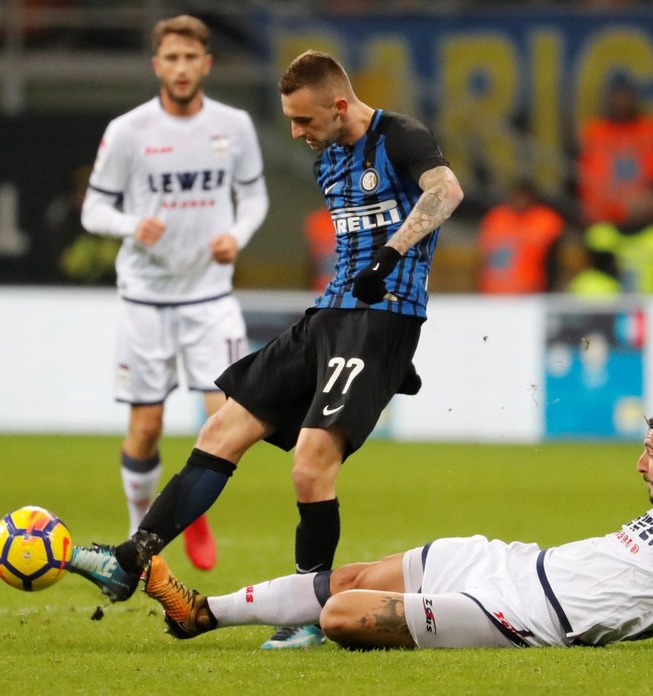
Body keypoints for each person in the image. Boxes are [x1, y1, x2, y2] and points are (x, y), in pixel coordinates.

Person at [69, 49, 464, 650]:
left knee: (310, 465)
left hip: (382, 320)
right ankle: (132, 557)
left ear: (338, 104)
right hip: (328, 315)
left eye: (304, 121)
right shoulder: (328, 159)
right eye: (290, 121)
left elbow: (446, 192)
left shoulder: (400, 136)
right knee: (221, 429)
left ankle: (308, 609)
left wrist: (392, 253)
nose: (296, 133)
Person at [136, 400, 653, 653]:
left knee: (341, 618)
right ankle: (199, 613)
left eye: (651, 453)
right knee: (350, 578)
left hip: (525, 618)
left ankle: (247, 619)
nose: (640, 464)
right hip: (511, 562)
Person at [77, 15, 268, 572]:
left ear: (206, 64)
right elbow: (93, 208)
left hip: (210, 299)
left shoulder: (233, 125)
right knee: (146, 428)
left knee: (226, 423)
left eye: (191, 58)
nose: (181, 68)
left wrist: (238, 234)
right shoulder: (129, 130)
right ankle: (147, 535)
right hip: (146, 300)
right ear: (156, 64)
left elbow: (254, 198)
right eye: (172, 58)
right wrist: (131, 225)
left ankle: (186, 500)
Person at [576, 74, 653, 227]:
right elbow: (585, 178)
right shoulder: (594, 132)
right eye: (617, 96)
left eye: (625, 95)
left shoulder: (651, 129)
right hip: (603, 219)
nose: (621, 102)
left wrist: (651, 200)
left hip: (642, 219)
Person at [578, 187, 653, 294]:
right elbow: (578, 276)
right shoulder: (600, 235)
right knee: (589, 285)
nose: (633, 202)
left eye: (639, 194)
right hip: (608, 307)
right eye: (625, 194)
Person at [477, 181, 564, 294]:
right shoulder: (497, 217)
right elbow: (484, 257)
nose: (520, 201)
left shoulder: (545, 220)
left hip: (530, 289)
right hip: (494, 290)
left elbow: (553, 259)